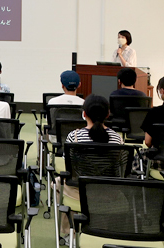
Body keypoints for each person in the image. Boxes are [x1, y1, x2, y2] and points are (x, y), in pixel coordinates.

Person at [57, 94, 123, 243]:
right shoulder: (118, 139)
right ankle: (101, 227)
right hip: (109, 192)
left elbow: (68, 165)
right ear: (107, 114)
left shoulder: (74, 137)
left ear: (84, 114)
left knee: (57, 182)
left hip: (80, 193)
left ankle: (69, 233)